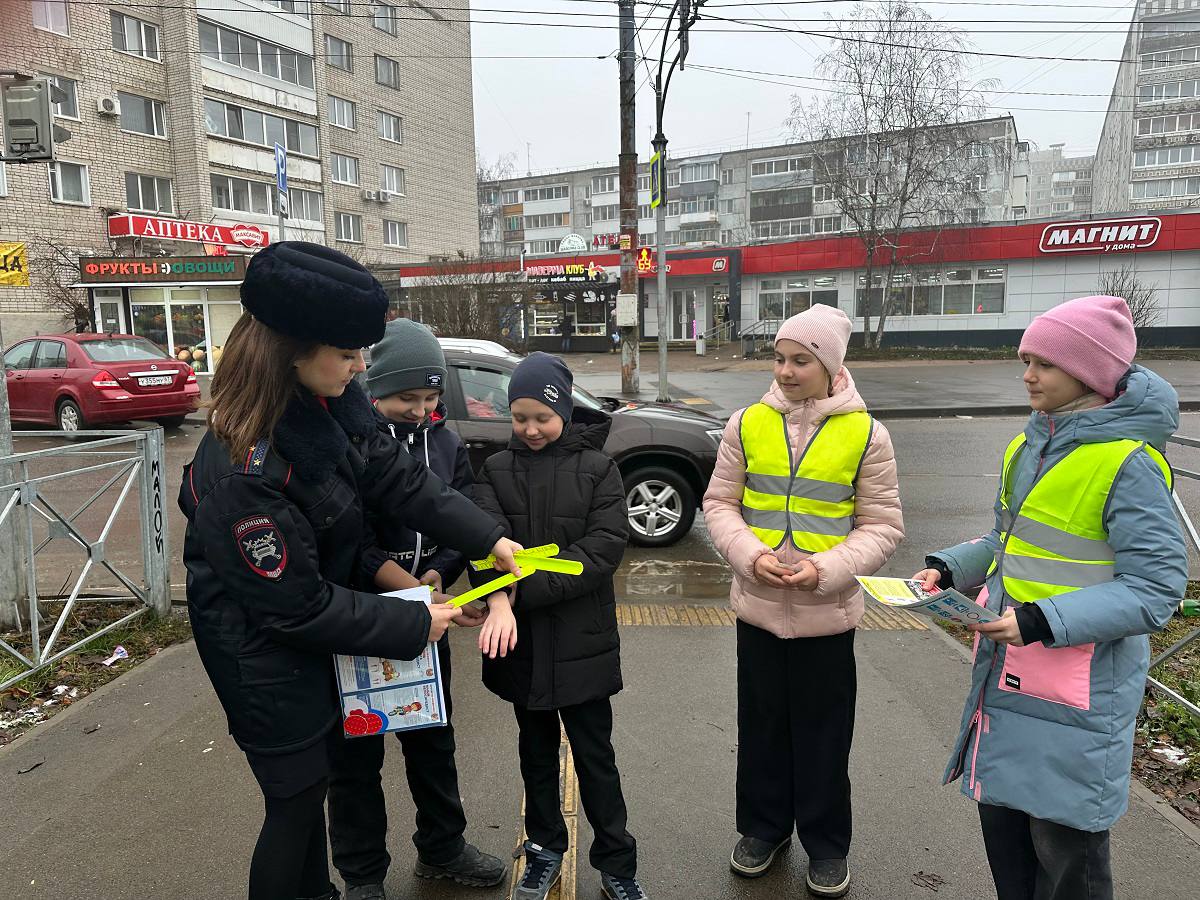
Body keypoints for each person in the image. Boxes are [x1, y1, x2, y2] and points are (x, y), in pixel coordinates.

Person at [178, 241, 522, 900]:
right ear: (291, 352)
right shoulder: (246, 471)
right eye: (347, 353)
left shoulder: (326, 407)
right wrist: (414, 620)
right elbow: (296, 606)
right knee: (295, 805)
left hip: (308, 643)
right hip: (263, 664)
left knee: (309, 796)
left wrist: (489, 538)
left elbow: (397, 478)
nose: (361, 366)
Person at [914, 295, 1187, 900]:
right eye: (1026, 361)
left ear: (1089, 374)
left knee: (1066, 860)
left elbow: (1157, 590)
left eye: (1044, 363)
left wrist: (1041, 620)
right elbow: (1005, 542)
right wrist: (947, 569)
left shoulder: (1129, 464)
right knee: (1006, 840)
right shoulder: (1028, 446)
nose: (1028, 375)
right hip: (1008, 672)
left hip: (1078, 691)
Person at [702, 305, 903, 899]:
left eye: (800, 361)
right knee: (761, 728)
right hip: (758, 611)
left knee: (823, 738)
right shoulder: (747, 424)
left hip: (827, 617)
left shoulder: (867, 434)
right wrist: (749, 555)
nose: (785, 372)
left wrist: (825, 570)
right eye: (780, 358)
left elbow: (882, 527)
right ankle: (762, 831)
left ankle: (827, 845)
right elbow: (719, 505)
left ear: (831, 367)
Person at [326, 319, 507, 899]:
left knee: (433, 740)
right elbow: (349, 539)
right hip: (362, 617)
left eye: (430, 398)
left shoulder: (446, 442)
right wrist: (409, 587)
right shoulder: (351, 445)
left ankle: (442, 846)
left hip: (430, 617)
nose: (420, 410)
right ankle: (363, 875)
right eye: (407, 397)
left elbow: (456, 511)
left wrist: (440, 574)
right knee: (355, 756)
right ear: (373, 387)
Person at [469, 352, 648, 900]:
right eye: (519, 417)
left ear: (564, 413)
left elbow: (602, 549)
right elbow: (481, 543)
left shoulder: (599, 469)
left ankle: (617, 864)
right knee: (536, 756)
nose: (530, 429)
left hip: (582, 642)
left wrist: (520, 592)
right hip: (522, 646)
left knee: (596, 759)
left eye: (542, 418)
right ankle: (544, 850)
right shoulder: (495, 469)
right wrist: (499, 596)